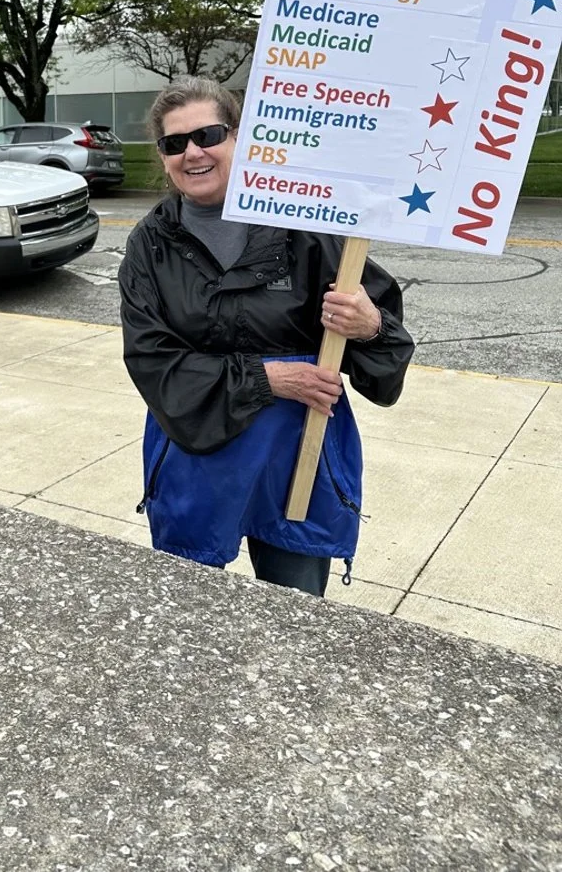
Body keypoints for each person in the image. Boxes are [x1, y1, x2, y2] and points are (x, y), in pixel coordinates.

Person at [119, 76, 414, 596]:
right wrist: (265, 378)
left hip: (298, 458)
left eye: (208, 135)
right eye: (174, 143)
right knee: (190, 619)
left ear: (240, 137)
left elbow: (384, 348)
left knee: (295, 624)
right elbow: (151, 359)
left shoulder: (307, 224)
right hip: (196, 455)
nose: (192, 153)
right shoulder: (149, 245)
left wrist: (369, 326)